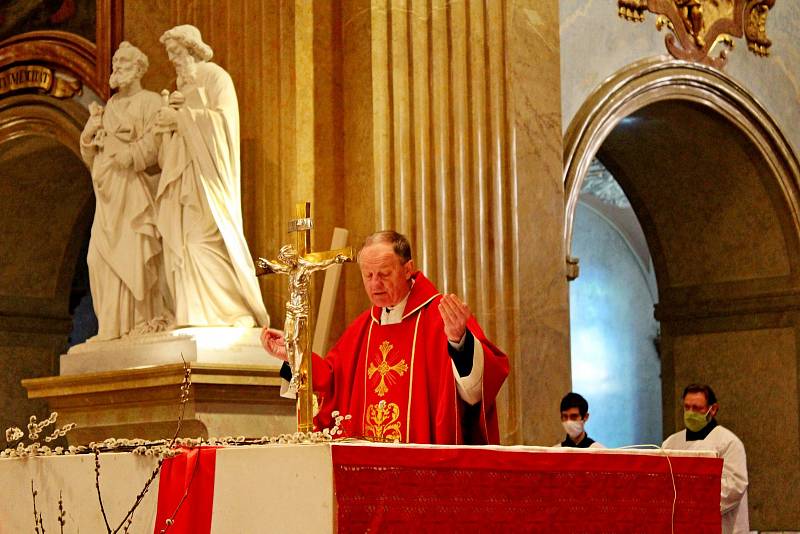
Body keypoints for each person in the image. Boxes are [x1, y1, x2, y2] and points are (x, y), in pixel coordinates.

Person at [262, 230, 509, 444]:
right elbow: (333, 383)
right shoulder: (363, 327)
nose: (374, 284)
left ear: (408, 269)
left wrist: (459, 342)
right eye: (367, 276)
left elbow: (477, 391)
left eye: (384, 274)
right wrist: (295, 356)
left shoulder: (441, 318)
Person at [154, 24, 268, 328]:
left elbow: (224, 122)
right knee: (181, 241)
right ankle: (194, 315)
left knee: (201, 241)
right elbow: (171, 147)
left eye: (177, 53)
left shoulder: (216, 77)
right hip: (184, 175)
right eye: (170, 56)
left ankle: (233, 311)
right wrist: (168, 125)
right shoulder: (181, 88)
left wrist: (181, 118)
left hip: (209, 176)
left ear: (192, 49)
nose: (174, 60)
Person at [79, 41, 166, 340]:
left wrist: (127, 153)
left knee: (133, 256)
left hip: (132, 192)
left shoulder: (151, 102)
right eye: (115, 63)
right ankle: (111, 327)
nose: (116, 69)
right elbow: (91, 155)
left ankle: (136, 324)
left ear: (138, 69)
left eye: (123, 63)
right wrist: (90, 134)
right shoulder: (110, 106)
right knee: (97, 259)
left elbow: (154, 147)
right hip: (107, 195)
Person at [662, 384, 749, 534]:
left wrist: (692, 505)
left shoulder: (728, 442)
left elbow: (734, 487)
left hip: (720, 526)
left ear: (713, 409)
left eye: (697, 408)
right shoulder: (671, 442)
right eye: (687, 407)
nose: (690, 413)